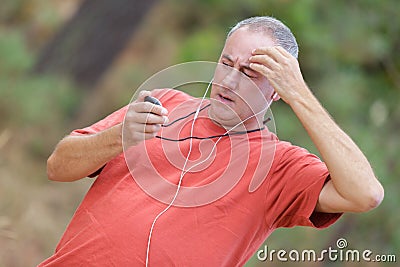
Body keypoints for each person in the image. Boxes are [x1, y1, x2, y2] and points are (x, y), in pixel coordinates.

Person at [38, 16, 384, 266]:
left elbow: (365, 194)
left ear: (279, 90)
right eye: (226, 63)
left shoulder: (281, 166)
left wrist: (301, 96)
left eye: (250, 73)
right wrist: (117, 138)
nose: (230, 81)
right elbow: (57, 166)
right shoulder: (162, 103)